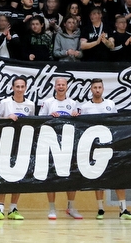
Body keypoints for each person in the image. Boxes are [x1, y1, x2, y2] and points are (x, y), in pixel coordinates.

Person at [78, 78, 131, 220]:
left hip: (110, 146)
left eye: (99, 87)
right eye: (95, 87)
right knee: (99, 179)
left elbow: (115, 123)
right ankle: (100, 209)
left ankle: (123, 209)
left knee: (118, 177)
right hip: (94, 148)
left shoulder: (110, 104)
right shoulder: (85, 107)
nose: (97, 90)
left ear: (103, 89)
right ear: (91, 90)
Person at [0, 77, 35, 221]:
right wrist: (7, 118)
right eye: (17, 86)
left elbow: (33, 124)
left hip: (22, 146)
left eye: (22, 86)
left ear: (26, 88)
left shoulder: (30, 105)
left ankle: (13, 209)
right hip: (5, 144)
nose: (20, 89)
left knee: (19, 176)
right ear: (12, 88)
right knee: (2, 176)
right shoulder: (5, 103)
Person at [38, 77, 81, 220]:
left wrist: (77, 116)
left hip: (69, 145)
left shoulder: (73, 103)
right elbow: (38, 121)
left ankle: (71, 207)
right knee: (52, 177)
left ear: (67, 87)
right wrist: (49, 117)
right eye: (59, 85)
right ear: (55, 87)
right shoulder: (48, 103)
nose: (61, 87)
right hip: (52, 145)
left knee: (71, 177)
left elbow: (82, 124)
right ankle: (52, 208)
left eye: (63, 84)